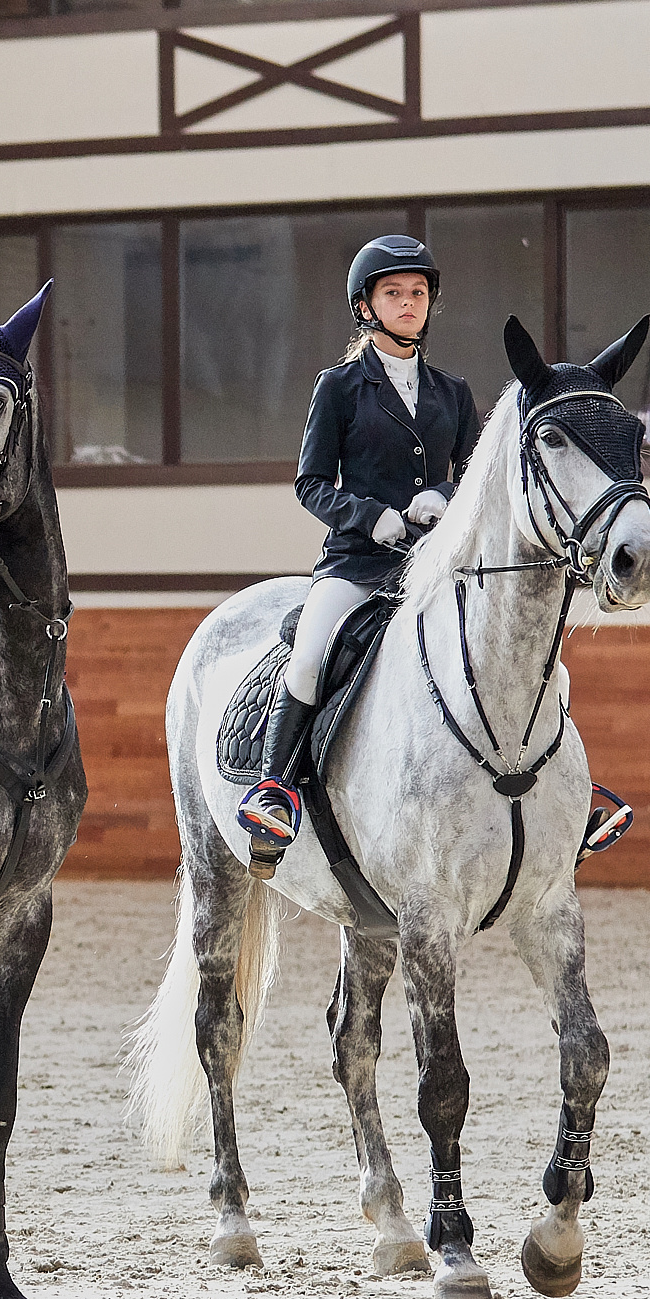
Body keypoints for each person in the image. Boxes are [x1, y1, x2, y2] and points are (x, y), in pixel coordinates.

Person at [236, 235, 475, 874]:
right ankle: (275, 792)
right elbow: (310, 483)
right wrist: (377, 518)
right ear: (365, 306)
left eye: (418, 294)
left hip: (436, 565)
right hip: (358, 561)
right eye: (393, 293)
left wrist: (442, 497)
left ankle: (559, 786)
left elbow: (478, 477)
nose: (408, 304)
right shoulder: (339, 387)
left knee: (508, 636)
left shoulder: (453, 392)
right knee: (311, 652)